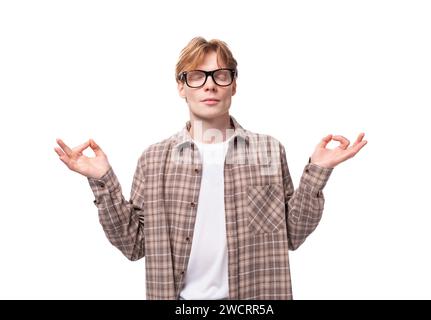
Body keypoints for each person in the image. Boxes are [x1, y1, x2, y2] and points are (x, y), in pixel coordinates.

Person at [54, 37, 367, 300]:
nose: (210, 86)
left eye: (220, 75)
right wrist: (102, 181)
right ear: (181, 87)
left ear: (234, 85)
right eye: (197, 76)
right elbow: (134, 245)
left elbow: (292, 236)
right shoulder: (154, 159)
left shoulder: (269, 150)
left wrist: (317, 174)